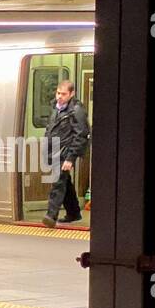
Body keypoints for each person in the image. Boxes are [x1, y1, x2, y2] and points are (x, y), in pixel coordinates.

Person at [42, 78, 90, 228]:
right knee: (64, 182)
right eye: (58, 93)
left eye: (63, 94)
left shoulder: (76, 110)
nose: (59, 97)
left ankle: (51, 215)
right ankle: (74, 212)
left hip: (65, 152)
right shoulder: (55, 108)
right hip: (54, 151)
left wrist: (71, 158)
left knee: (58, 182)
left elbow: (81, 135)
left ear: (71, 94)